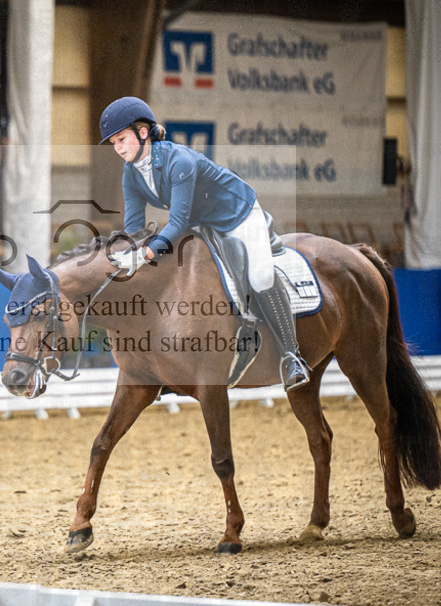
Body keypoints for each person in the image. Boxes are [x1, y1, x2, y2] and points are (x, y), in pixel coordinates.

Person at [99, 96, 310, 391]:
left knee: (260, 276)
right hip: (205, 223)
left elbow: (178, 221)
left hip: (238, 214)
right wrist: (127, 253)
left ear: (142, 132)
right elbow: (134, 227)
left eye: (122, 139)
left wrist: (145, 253)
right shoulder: (130, 172)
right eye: (114, 143)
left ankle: (291, 356)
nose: (119, 148)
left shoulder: (179, 161)